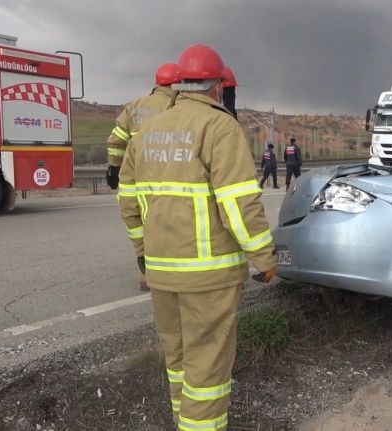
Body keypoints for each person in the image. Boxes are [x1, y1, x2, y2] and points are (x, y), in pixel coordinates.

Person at [117, 44, 276, 430]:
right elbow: (238, 203)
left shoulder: (147, 132)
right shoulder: (219, 127)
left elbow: (128, 202)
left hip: (161, 273)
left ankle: (183, 423)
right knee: (206, 371)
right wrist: (264, 258)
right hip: (208, 277)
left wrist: (143, 254)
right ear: (218, 86)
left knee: (178, 362)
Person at [107, 62, 180, 292]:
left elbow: (116, 139)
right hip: (173, 173)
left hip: (138, 176)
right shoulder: (178, 104)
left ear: (156, 83)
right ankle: (173, 272)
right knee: (175, 221)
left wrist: (114, 167)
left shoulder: (135, 106)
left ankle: (146, 272)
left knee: (140, 220)